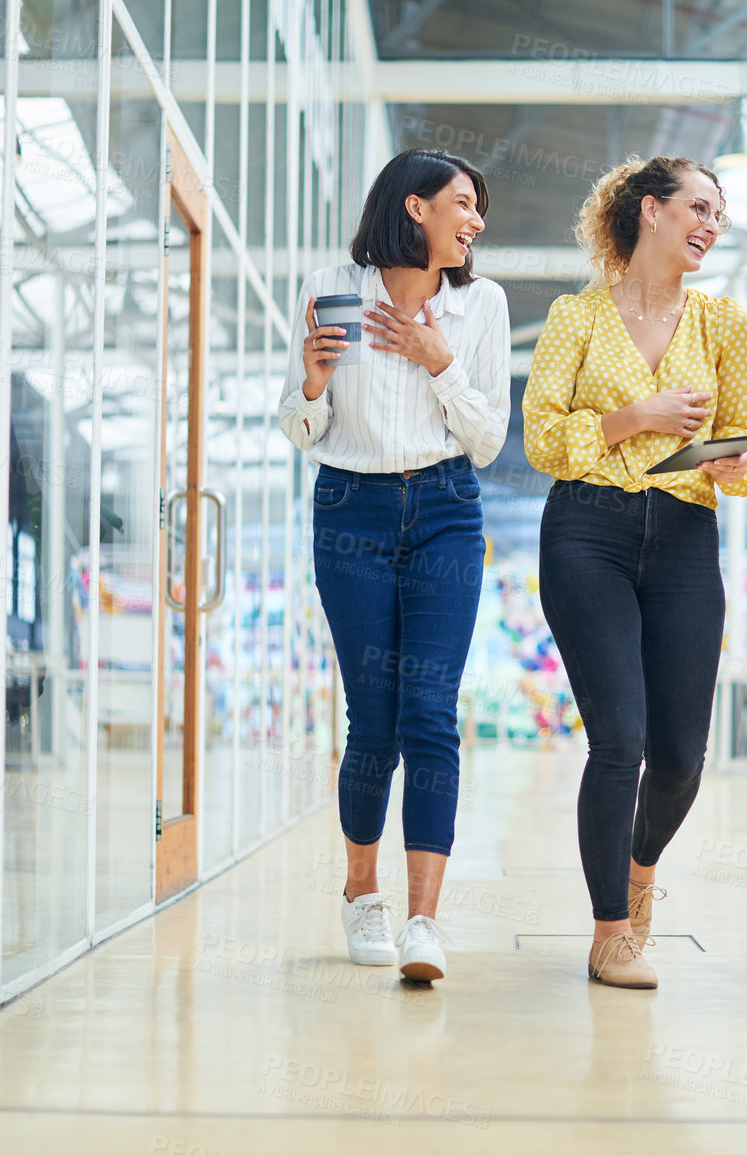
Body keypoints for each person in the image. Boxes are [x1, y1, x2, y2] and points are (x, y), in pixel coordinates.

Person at [524, 156, 747, 989]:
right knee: (618, 739)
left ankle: (640, 866)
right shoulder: (574, 317)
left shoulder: (725, 325)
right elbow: (543, 441)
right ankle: (610, 930)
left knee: (682, 757)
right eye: (698, 206)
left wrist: (737, 466)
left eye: (718, 216)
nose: (709, 224)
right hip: (587, 533)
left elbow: (737, 445)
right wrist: (636, 417)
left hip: (687, 537)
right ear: (649, 210)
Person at [278, 148, 511, 983]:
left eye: (476, 207)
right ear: (414, 207)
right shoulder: (330, 282)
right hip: (352, 509)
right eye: (462, 202)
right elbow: (301, 430)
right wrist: (308, 384)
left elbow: (486, 441)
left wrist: (435, 360)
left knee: (429, 714)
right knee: (372, 719)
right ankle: (360, 892)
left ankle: (423, 921)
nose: (475, 220)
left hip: (446, 509)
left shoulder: (479, 304)